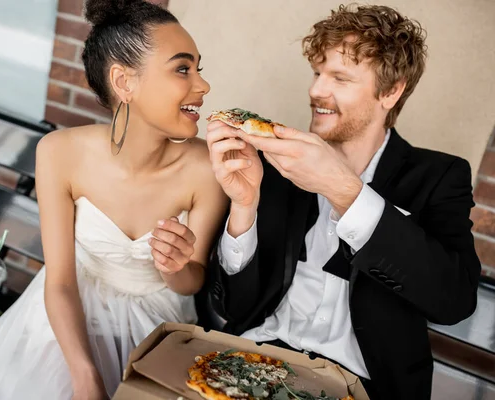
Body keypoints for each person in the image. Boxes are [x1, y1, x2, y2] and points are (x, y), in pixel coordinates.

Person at [0, 0, 227, 399]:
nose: (203, 85)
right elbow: (58, 281)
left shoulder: (206, 167)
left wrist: (175, 267)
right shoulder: (59, 152)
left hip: (157, 323)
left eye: (198, 68)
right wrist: (85, 375)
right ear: (124, 82)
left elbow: (191, 281)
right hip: (69, 308)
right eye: (182, 69)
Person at [205, 4, 481, 400]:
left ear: (391, 90)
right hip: (253, 360)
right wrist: (244, 206)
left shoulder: (439, 177)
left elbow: (454, 302)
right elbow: (235, 307)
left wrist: (345, 192)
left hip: (369, 386)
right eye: (318, 73)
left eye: (340, 77)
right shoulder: (273, 164)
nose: (316, 90)